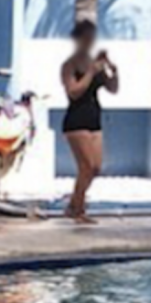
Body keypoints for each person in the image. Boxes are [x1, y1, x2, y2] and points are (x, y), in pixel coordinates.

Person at [60, 20, 118, 224]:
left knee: (96, 168)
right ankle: (78, 208)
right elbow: (74, 91)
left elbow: (113, 88)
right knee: (85, 166)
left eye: (91, 37)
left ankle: (73, 205)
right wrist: (91, 72)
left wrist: (112, 69)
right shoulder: (69, 65)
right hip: (76, 121)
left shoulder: (93, 64)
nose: (89, 41)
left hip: (94, 119)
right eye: (85, 37)